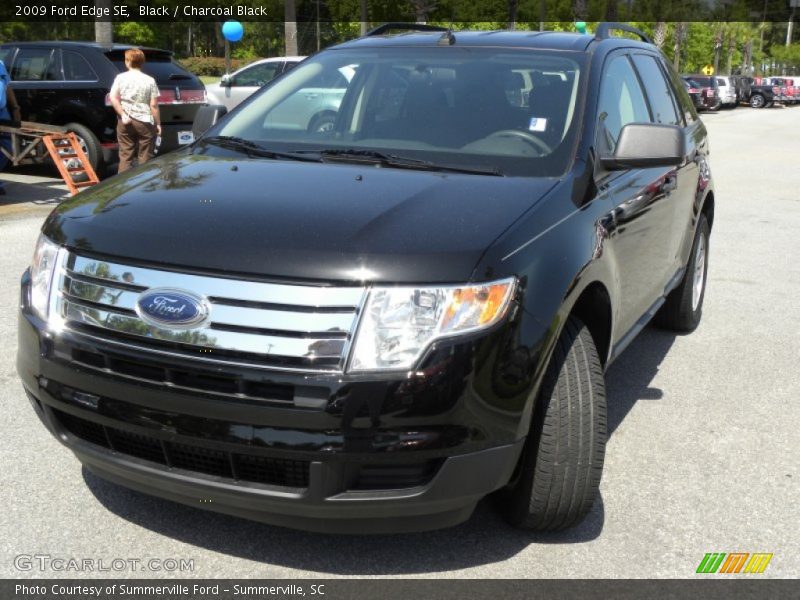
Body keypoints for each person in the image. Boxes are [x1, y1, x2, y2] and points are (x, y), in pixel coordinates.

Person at [109, 48, 161, 173]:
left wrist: (123, 114)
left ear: (127, 62)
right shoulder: (149, 80)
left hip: (125, 121)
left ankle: (123, 186)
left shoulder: (120, 78)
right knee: (145, 157)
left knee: (126, 156)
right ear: (142, 62)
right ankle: (143, 185)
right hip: (145, 122)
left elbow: (112, 97)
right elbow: (153, 105)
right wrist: (158, 123)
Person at [0, 59, 20, 196]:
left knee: (7, 146)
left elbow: (7, 86)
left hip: (2, 112)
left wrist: (15, 108)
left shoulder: (0, 64)